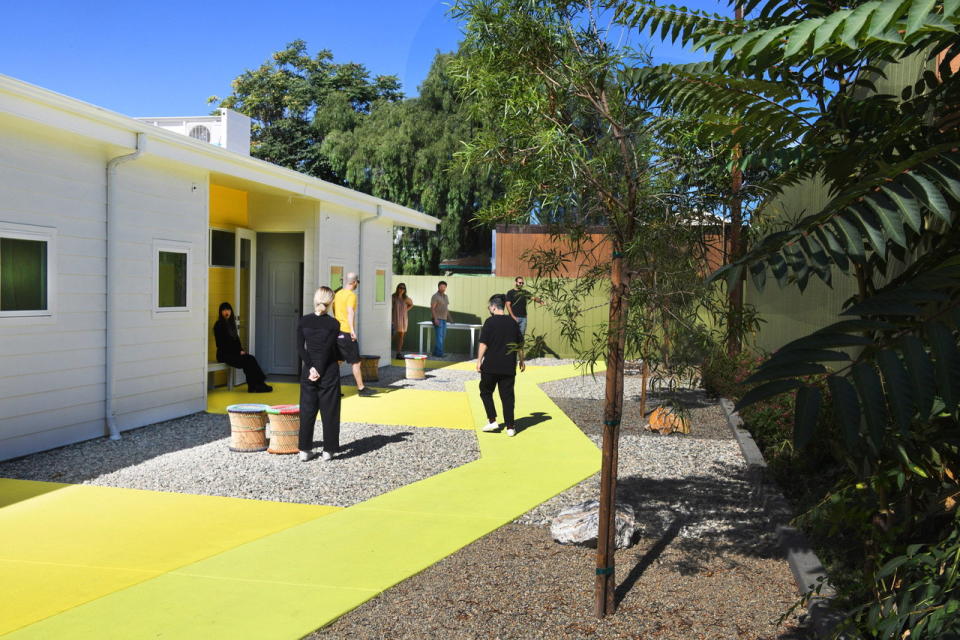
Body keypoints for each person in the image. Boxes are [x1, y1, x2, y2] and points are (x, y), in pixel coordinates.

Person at [296, 287, 342, 462]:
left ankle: (304, 450)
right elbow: (327, 350)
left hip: (308, 371)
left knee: (307, 410)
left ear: (315, 299)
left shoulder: (303, 321)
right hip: (328, 371)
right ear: (331, 303)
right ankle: (328, 450)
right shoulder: (334, 324)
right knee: (329, 411)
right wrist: (320, 369)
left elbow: (301, 348)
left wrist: (311, 368)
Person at [477, 294, 525, 437]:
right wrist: (522, 360)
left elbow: (483, 343)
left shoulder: (489, 322)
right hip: (508, 366)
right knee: (507, 396)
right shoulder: (513, 322)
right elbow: (519, 344)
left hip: (491, 365)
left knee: (485, 391)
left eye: (489, 306)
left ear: (493, 307)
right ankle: (510, 427)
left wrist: (479, 360)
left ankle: (492, 420)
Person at [212, 301, 272, 393]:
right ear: (220, 312)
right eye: (223, 310)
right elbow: (221, 344)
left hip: (233, 353)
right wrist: (237, 352)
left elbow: (236, 342)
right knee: (247, 360)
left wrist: (241, 350)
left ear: (231, 311)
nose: (226, 312)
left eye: (228, 309)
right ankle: (256, 385)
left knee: (250, 359)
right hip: (224, 355)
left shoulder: (231, 325)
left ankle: (257, 385)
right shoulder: (219, 325)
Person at [332, 272, 375, 396]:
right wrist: (352, 330)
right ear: (354, 282)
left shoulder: (337, 294)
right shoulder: (351, 295)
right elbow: (350, 311)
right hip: (346, 331)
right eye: (358, 282)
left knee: (338, 362)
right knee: (356, 362)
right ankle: (361, 389)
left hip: (337, 332)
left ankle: (335, 391)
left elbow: (335, 311)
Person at [391, 282, 414, 359]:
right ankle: (386, 352)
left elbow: (411, 304)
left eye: (403, 288)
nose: (401, 289)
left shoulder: (406, 298)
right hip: (394, 318)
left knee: (401, 336)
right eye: (400, 288)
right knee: (391, 335)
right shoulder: (393, 297)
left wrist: (405, 310)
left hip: (403, 318)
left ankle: (398, 353)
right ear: (397, 288)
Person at [430, 280, 450, 358]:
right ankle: (439, 353)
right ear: (438, 287)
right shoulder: (435, 296)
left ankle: (435, 352)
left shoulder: (446, 296)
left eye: (444, 287)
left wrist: (450, 319)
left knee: (442, 336)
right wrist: (435, 319)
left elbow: (446, 308)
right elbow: (432, 308)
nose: (443, 288)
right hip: (438, 319)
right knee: (440, 337)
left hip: (444, 319)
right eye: (441, 286)